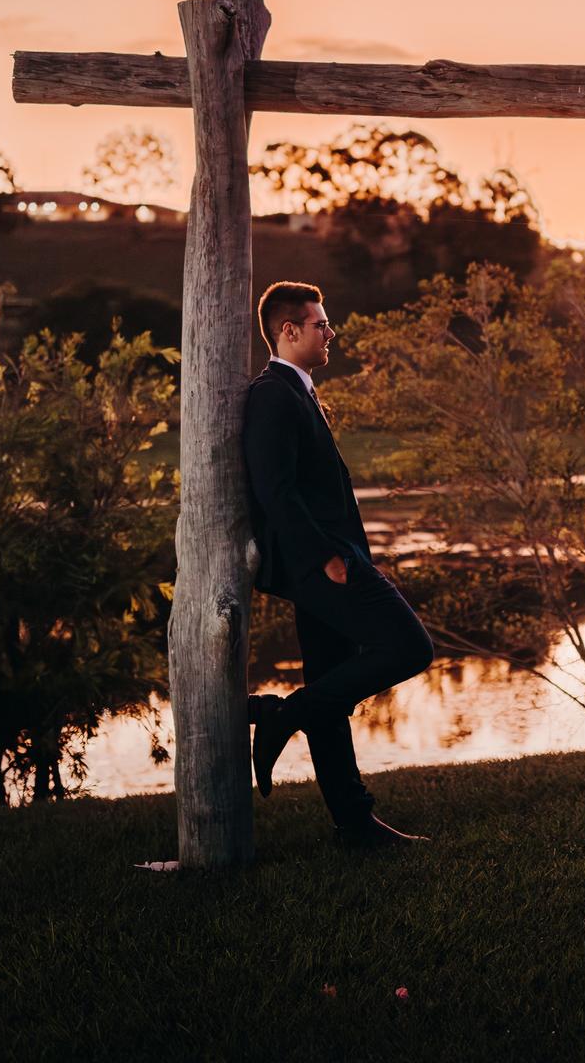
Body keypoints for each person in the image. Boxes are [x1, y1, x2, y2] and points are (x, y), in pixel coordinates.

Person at [243, 281, 434, 847]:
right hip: (322, 564)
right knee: (409, 647)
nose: (331, 332)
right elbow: (275, 491)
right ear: (289, 330)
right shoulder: (272, 394)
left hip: (331, 560)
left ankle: (353, 822)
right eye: (321, 324)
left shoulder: (296, 389)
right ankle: (283, 717)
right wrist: (325, 558)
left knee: (331, 681)